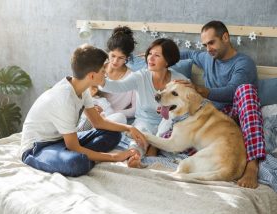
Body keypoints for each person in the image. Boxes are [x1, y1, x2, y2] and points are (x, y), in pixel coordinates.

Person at [20, 44, 147, 177]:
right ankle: (81, 158)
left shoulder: (82, 88)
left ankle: (86, 156)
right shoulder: (63, 98)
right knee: (78, 162)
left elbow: (98, 122)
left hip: (61, 140)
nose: (106, 75)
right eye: (103, 72)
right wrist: (114, 157)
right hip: (38, 147)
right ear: (92, 76)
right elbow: (73, 147)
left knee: (114, 135)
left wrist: (128, 128)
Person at [177, 20, 264, 189]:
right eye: (205, 45)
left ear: (225, 37)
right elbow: (188, 54)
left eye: (211, 42)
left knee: (245, 90)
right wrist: (158, 55)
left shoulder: (243, 63)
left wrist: (202, 90)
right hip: (215, 119)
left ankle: (252, 164)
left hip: (238, 113)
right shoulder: (208, 57)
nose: (208, 48)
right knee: (173, 134)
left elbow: (231, 91)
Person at [101, 38, 188, 168]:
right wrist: (98, 80)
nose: (150, 59)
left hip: (169, 125)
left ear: (167, 61)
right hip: (145, 121)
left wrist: (195, 88)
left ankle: (155, 146)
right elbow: (117, 86)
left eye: (157, 55)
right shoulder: (140, 76)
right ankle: (135, 156)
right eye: (150, 54)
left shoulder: (179, 80)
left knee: (170, 123)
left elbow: (191, 104)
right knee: (138, 137)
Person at [101, 26, 137, 120]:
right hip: (92, 114)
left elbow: (135, 110)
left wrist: (110, 113)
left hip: (114, 118)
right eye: (113, 56)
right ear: (108, 52)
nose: (115, 61)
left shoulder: (133, 77)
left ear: (127, 58)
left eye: (121, 58)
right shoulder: (97, 69)